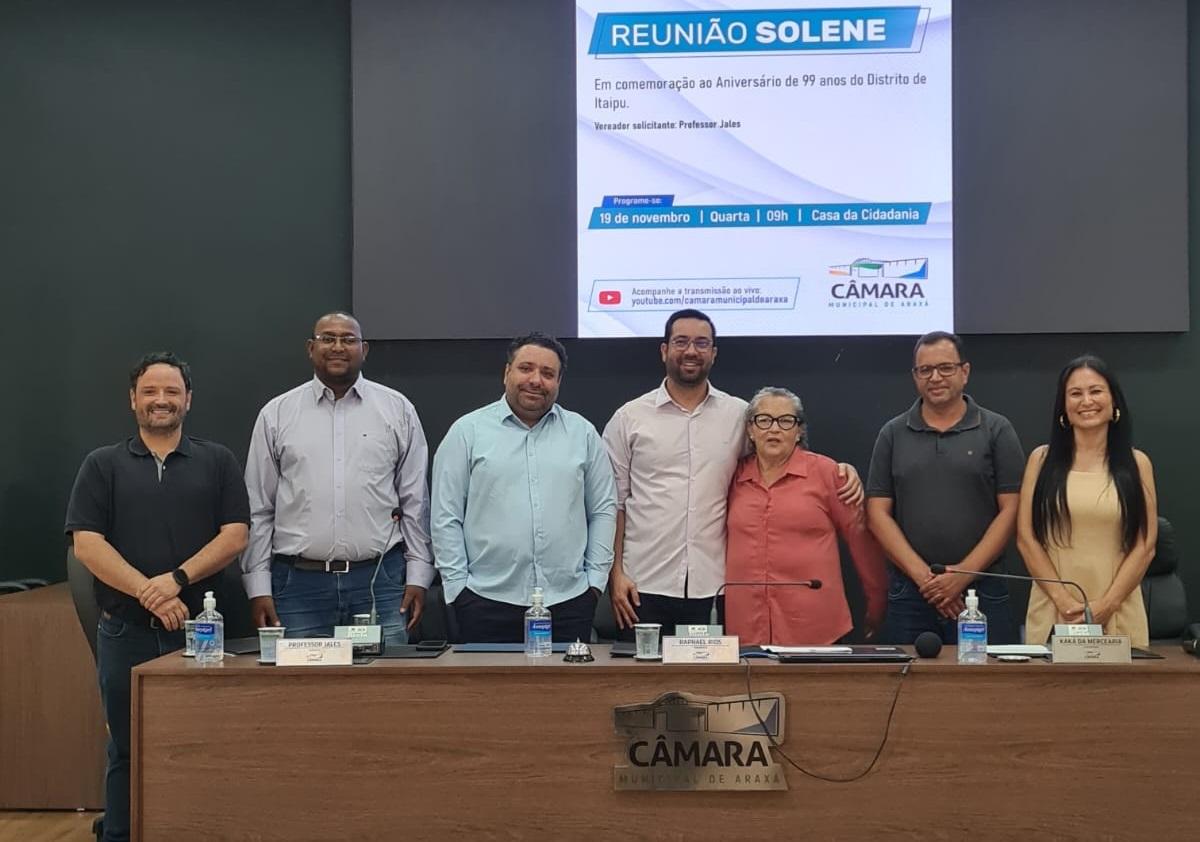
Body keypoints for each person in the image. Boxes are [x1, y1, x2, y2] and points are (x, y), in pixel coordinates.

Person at [65, 352, 249, 842]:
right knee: (127, 748)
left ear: (188, 400)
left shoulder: (218, 460)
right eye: (150, 392)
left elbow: (235, 536)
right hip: (126, 632)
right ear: (133, 400)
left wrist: (176, 579)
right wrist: (150, 593)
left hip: (206, 634)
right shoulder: (102, 464)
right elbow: (86, 543)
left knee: (209, 745)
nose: (161, 400)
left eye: (171, 392)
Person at [603, 309, 862, 637]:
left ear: (713, 353)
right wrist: (616, 575)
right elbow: (615, 505)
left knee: (712, 688)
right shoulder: (629, 419)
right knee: (640, 685)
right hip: (641, 586)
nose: (691, 351)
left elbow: (778, 457)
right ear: (664, 350)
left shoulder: (739, 415)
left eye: (702, 343)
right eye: (681, 341)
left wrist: (839, 470)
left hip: (714, 589)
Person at [243, 312, 433, 643]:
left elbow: (415, 501)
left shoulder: (397, 410)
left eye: (348, 340)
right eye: (327, 338)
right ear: (310, 348)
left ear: (365, 350)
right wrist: (257, 584)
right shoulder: (277, 414)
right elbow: (259, 507)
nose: (338, 347)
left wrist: (419, 575)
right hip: (298, 585)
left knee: (384, 691)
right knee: (301, 692)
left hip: (380, 581)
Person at [431, 332, 616, 643]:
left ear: (559, 381)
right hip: (484, 600)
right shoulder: (467, 432)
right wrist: (457, 587)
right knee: (487, 693)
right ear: (507, 373)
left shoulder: (582, 434)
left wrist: (595, 583)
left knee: (565, 693)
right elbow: (445, 515)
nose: (536, 380)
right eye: (526, 368)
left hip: (568, 601)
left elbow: (603, 509)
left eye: (547, 373)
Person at [866, 331, 1024, 645]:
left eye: (945, 368)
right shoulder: (893, 433)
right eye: (925, 370)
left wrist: (962, 575)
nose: (935, 377)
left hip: (984, 590)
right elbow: (877, 514)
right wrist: (929, 581)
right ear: (915, 376)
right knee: (904, 690)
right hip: (910, 592)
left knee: (989, 691)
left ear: (964, 372)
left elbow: (1012, 509)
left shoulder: (996, 429)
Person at [725, 387, 887, 645]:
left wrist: (877, 604)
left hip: (815, 629)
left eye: (786, 421)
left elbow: (862, 543)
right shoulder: (730, 477)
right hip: (745, 630)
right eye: (764, 420)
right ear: (750, 430)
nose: (774, 429)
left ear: (799, 430)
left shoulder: (829, 474)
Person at [1017, 355, 1156, 645]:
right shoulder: (1040, 461)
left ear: (1113, 401)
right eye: (1075, 393)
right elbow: (1026, 539)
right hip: (1055, 610)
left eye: (1096, 391)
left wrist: (1107, 604)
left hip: (1117, 611)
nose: (1086, 401)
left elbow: (1145, 545)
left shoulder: (1137, 463)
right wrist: (1064, 600)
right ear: (1064, 407)